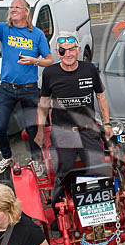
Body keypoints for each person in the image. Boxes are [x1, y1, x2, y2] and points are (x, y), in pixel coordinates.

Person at [0, 0, 53, 176]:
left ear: (26, 12)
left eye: (17, 7)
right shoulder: (5, 29)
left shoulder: (37, 34)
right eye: (11, 7)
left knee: (32, 127)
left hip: (29, 89)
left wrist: (35, 61)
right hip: (7, 88)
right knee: (0, 127)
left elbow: (49, 60)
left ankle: (36, 160)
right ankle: (6, 157)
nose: (13, 9)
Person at [35, 32, 113, 204]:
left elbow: (101, 97)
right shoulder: (49, 73)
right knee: (64, 171)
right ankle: (57, 209)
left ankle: (101, 208)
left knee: (99, 168)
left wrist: (107, 123)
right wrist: (40, 131)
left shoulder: (89, 69)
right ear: (57, 52)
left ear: (78, 50)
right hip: (63, 131)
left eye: (71, 50)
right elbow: (44, 103)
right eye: (63, 51)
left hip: (87, 129)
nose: (68, 54)